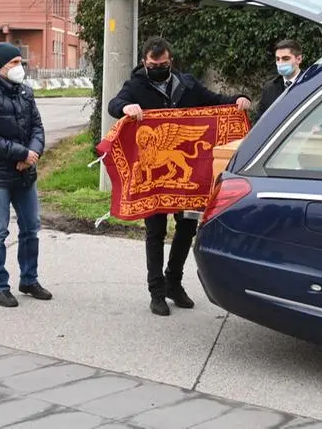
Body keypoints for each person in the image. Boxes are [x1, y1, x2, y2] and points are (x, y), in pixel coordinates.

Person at [107, 36, 252, 316]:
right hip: (154, 181)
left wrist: (238, 100)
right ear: (144, 63)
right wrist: (126, 108)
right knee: (155, 232)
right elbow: (115, 104)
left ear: (170, 61)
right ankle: (156, 291)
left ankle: (174, 282)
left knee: (187, 228)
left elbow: (215, 102)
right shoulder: (136, 86)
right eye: (152, 64)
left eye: (162, 64)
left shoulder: (186, 84)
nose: (157, 68)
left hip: (189, 179)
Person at [0, 42, 51, 308]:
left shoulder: (25, 93)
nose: (20, 68)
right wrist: (20, 154)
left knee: (31, 228)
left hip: (25, 172)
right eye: (14, 63)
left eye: (20, 62)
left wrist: (32, 154)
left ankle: (29, 279)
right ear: (0, 66)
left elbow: (38, 127)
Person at [256, 39, 304, 121]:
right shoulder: (269, 88)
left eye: (286, 59)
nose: (280, 63)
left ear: (298, 59)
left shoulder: (310, 84)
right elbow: (259, 121)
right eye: (278, 59)